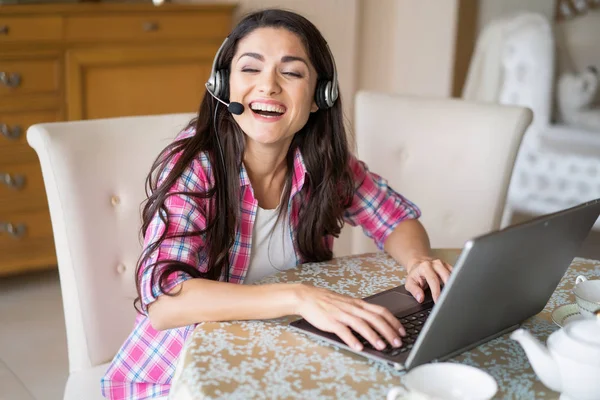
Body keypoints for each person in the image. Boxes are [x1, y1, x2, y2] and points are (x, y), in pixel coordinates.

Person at [101, 9, 453, 400]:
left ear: (322, 96)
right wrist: (298, 295)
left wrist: (418, 260)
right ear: (224, 85)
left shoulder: (322, 162)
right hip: (178, 374)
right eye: (250, 69)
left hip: (278, 353)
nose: (268, 86)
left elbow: (394, 218)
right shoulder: (195, 166)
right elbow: (166, 305)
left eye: (292, 72)